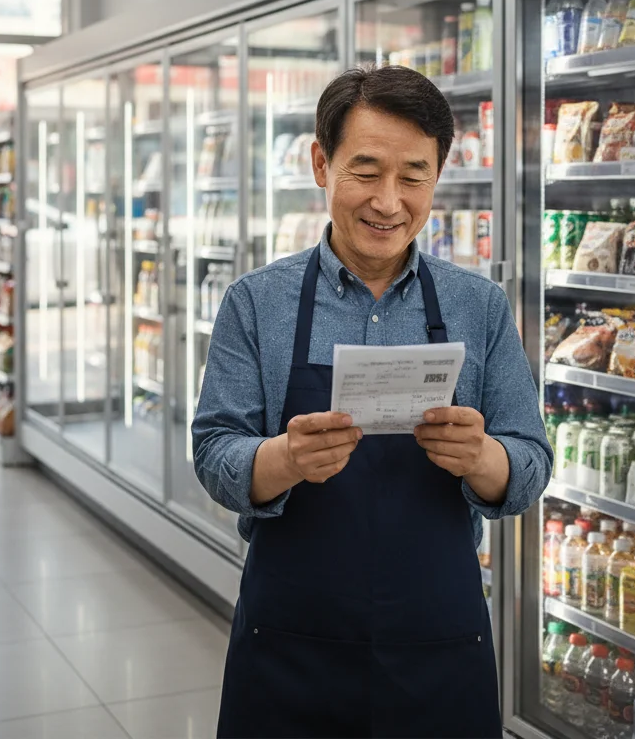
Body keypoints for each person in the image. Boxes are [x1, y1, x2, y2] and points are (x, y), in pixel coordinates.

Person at [192, 65, 552, 739]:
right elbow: (214, 454)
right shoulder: (255, 303)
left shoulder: (480, 307)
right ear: (321, 165)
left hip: (439, 644)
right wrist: (284, 459)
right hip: (289, 645)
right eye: (366, 171)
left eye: (413, 176)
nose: (389, 202)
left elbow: (530, 462)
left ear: (437, 177)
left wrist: (481, 457)